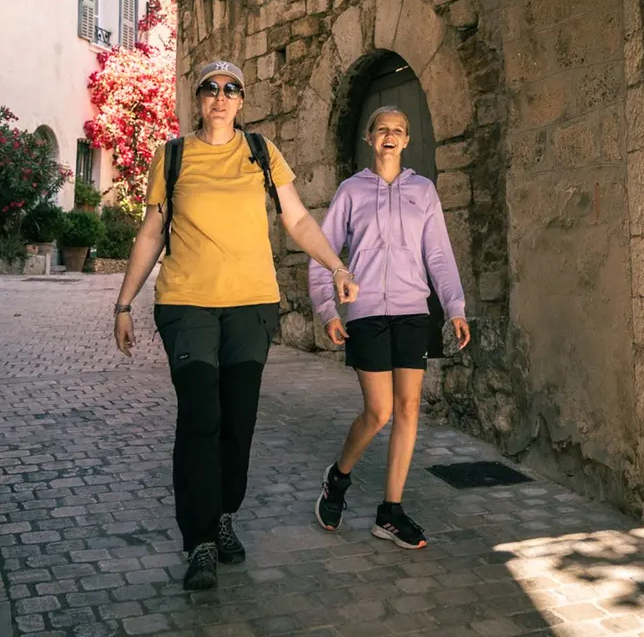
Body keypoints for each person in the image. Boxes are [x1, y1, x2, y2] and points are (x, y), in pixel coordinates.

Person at [112, 59, 359, 591]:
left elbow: (296, 219)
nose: (220, 97)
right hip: (187, 305)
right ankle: (198, 539)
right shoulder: (173, 156)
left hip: (251, 306)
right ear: (196, 98)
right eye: (209, 89)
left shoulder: (261, 153)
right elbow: (152, 233)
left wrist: (336, 265)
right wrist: (124, 302)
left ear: (242, 100)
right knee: (201, 416)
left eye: (231, 89)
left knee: (239, 421)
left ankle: (224, 516)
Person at [309, 105, 470, 550]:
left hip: (412, 310)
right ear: (370, 137)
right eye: (383, 129)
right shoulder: (350, 191)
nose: (391, 136)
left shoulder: (423, 191)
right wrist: (328, 310)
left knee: (410, 408)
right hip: (366, 314)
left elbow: (438, 254)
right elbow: (322, 252)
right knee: (378, 412)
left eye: (399, 130)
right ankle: (338, 478)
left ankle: (390, 512)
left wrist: (454, 306)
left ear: (406, 140)